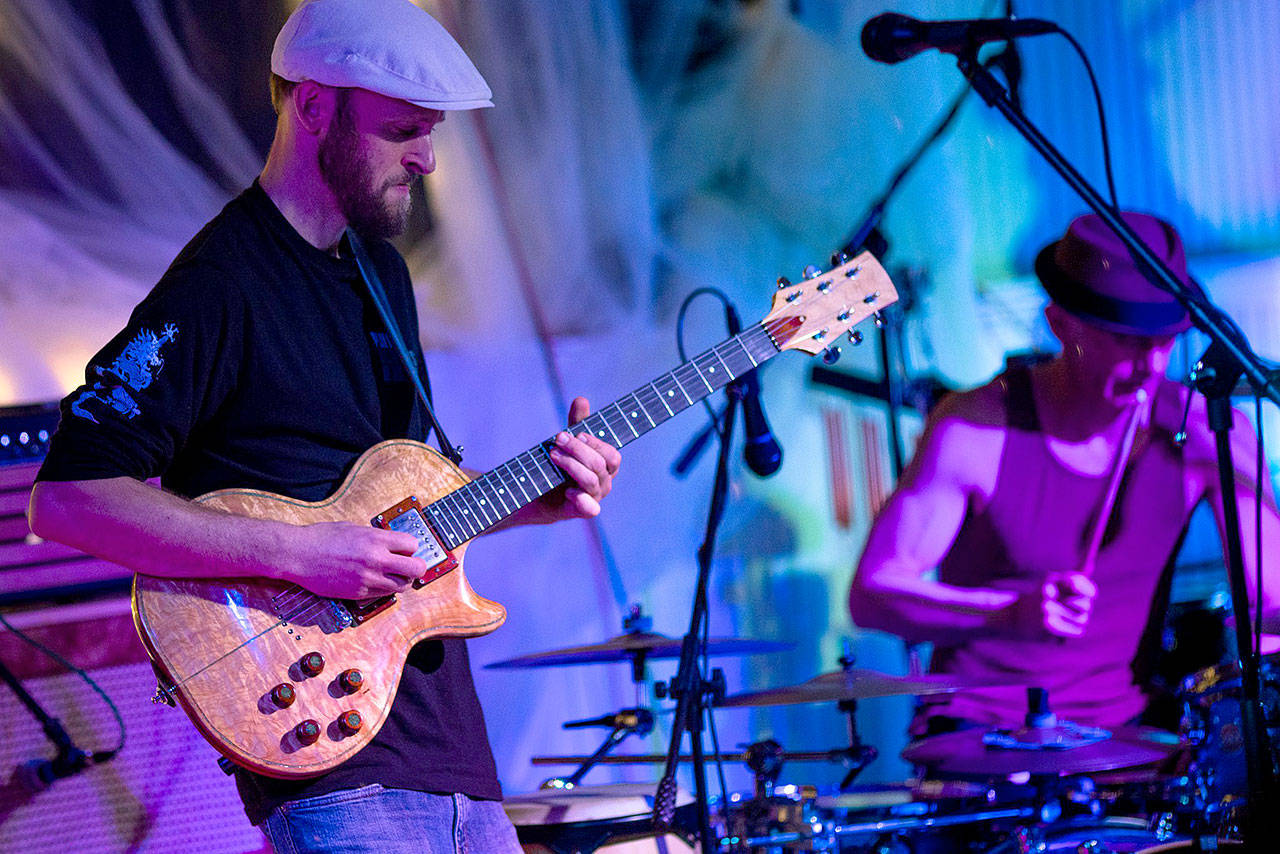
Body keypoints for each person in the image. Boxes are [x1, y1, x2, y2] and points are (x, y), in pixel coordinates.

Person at [26, 1, 621, 851]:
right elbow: (70, 501)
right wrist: (302, 554)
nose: (426, 158)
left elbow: (404, 509)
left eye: (430, 131)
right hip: (327, 754)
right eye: (402, 131)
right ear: (313, 106)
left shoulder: (383, 274)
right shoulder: (217, 286)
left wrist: (540, 497)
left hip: (451, 748)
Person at [848, 210, 1280, 736]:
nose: (1151, 364)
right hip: (982, 743)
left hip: (1131, 742)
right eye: (1126, 340)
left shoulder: (1208, 430)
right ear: (1060, 324)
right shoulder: (975, 428)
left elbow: (1272, 603)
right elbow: (872, 595)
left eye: (1164, 339)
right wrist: (1004, 614)